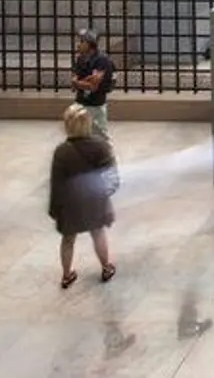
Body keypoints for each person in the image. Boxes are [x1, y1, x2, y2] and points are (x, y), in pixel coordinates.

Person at [50, 103, 120, 289]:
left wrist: (55, 208)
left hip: (70, 205)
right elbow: (111, 176)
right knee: (98, 234)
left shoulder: (61, 152)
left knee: (68, 239)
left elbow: (56, 183)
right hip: (94, 202)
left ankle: (67, 275)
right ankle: (106, 267)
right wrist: (105, 193)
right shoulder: (101, 147)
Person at [71, 31, 117, 139]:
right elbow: (74, 81)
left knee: (99, 137)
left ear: (90, 44)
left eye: (82, 41)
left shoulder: (102, 60)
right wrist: (81, 83)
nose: (78, 44)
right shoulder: (80, 59)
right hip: (80, 102)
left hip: (95, 105)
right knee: (77, 135)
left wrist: (79, 83)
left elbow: (92, 86)